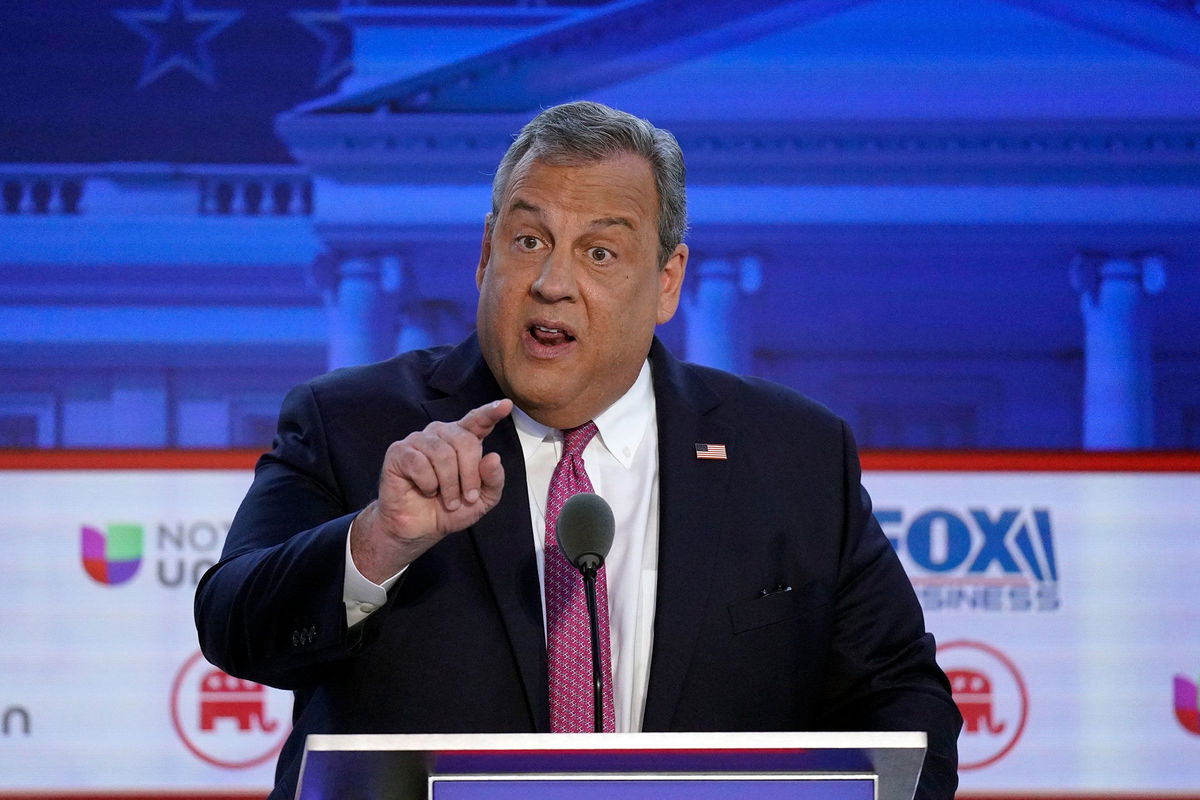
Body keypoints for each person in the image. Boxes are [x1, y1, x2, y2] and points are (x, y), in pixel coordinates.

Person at [195, 100, 961, 799]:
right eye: (528, 241)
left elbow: (904, 708)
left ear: (666, 282)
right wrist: (378, 542)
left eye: (600, 253)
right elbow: (233, 625)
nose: (552, 282)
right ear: (485, 255)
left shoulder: (794, 455)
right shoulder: (354, 424)